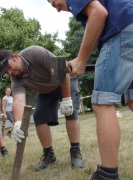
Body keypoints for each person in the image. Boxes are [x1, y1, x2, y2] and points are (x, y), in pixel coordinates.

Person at [48, 0, 133, 179]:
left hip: (124, 31)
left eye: (54, 2)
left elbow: (98, 13)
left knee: (102, 103)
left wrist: (81, 59)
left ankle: (107, 175)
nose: (56, 9)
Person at [0, 45, 85, 171]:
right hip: (45, 91)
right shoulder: (16, 78)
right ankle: (49, 155)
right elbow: (19, 100)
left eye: (8, 67)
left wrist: (66, 99)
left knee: (71, 112)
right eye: (6, 72)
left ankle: (75, 152)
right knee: (39, 117)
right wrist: (18, 123)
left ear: (15, 57)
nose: (9, 73)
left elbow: (60, 69)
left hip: (64, 80)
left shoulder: (35, 53)